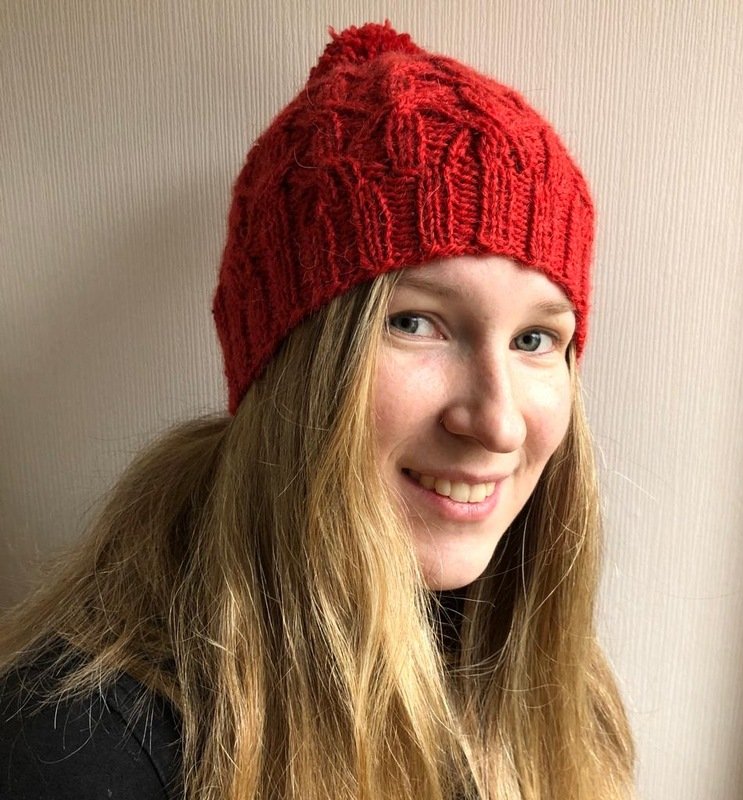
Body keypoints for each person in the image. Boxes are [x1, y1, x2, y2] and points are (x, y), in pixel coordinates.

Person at [0, 21, 634, 800]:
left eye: (536, 339)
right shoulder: (81, 747)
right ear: (292, 365)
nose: (499, 422)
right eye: (416, 322)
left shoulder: (550, 684)